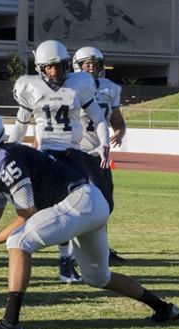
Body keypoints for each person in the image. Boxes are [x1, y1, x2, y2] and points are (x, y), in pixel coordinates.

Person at [0, 110, 179, 329]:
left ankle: (10, 322)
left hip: (79, 201)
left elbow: (27, 214)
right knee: (98, 277)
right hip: (87, 203)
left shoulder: (5, 159)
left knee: (18, 241)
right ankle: (164, 308)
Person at [9, 39, 113, 283]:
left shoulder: (80, 84)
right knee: (50, 211)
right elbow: (20, 126)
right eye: (49, 67)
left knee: (78, 209)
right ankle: (57, 259)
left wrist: (105, 143)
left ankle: (69, 262)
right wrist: (9, 150)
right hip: (46, 156)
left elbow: (98, 118)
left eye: (58, 66)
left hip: (73, 154)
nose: (54, 72)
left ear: (67, 65)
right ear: (40, 69)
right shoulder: (30, 87)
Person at [74, 45, 127, 264]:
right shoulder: (70, 88)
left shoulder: (109, 88)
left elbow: (117, 120)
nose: (91, 68)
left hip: (100, 154)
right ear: (78, 66)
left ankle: (100, 247)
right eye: (87, 64)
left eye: (95, 64)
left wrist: (119, 132)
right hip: (78, 151)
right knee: (88, 204)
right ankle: (80, 252)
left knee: (106, 204)